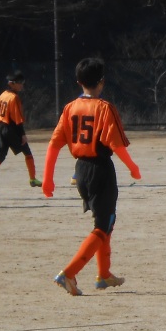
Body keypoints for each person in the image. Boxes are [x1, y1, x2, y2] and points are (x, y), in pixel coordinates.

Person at [42, 57, 141, 296]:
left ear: (79, 82)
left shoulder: (69, 108)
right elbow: (116, 145)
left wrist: (47, 178)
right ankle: (69, 273)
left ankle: (104, 275)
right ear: (102, 82)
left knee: (106, 221)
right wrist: (132, 167)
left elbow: (54, 145)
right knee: (102, 226)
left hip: (81, 170)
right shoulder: (105, 108)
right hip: (101, 169)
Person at [0, 71, 41, 187]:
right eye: (19, 82)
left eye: (22, 82)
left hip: (0, 129)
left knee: (0, 157)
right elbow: (17, 119)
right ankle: (33, 179)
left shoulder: (3, 94)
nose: (21, 85)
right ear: (11, 83)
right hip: (10, 129)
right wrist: (22, 134)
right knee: (27, 152)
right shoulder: (14, 97)